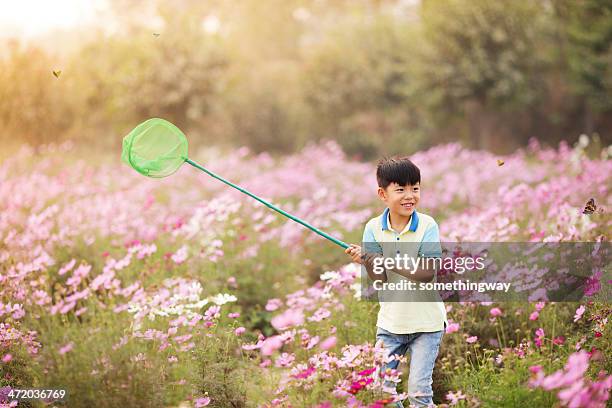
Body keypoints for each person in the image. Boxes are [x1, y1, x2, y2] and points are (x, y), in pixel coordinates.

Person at [345, 156, 448, 408]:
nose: (409, 195)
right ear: (383, 194)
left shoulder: (427, 225)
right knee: (382, 391)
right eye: (400, 189)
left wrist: (386, 260)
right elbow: (379, 278)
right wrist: (368, 261)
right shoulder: (373, 228)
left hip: (427, 324)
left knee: (419, 394)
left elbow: (427, 272)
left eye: (415, 188)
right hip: (391, 324)